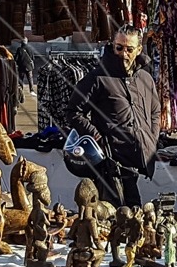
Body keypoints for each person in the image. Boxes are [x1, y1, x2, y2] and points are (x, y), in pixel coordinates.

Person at [64, 26, 159, 207]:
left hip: (137, 156)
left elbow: (155, 111)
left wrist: (152, 138)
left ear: (138, 49)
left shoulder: (145, 78)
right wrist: (97, 136)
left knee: (133, 213)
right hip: (111, 160)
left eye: (129, 49)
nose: (124, 54)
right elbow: (73, 112)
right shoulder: (98, 77)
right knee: (120, 213)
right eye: (119, 48)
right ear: (112, 46)